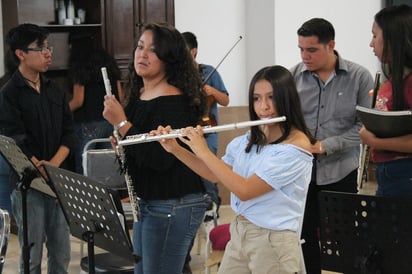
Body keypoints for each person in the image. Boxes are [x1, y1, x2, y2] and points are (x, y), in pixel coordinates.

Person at [157, 65, 315, 273]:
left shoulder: (295, 147)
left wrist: (203, 150)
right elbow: (214, 173)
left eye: (271, 97)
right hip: (240, 232)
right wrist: (176, 149)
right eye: (257, 98)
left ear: (287, 98)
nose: (264, 107)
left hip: (273, 241)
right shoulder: (250, 139)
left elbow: (245, 191)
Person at [102, 23, 208, 274]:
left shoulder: (175, 101)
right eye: (140, 47)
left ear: (169, 58)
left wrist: (122, 123)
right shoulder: (140, 95)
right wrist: (122, 144)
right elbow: (140, 151)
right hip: (148, 202)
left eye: (153, 50)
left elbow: (161, 159)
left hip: (173, 203)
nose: (142, 54)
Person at [289, 18, 374, 274]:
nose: (305, 56)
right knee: (304, 237)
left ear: (331, 46)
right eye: (301, 49)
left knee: (346, 237)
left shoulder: (359, 77)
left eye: (312, 49)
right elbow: (286, 120)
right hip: (301, 173)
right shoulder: (293, 76)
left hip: (341, 170)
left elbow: (364, 127)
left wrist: (325, 146)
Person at [0, 23, 76, 273]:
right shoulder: (9, 93)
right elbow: (15, 142)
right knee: (31, 256)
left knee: (61, 252)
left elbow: (69, 132)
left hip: (58, 180)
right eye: (41, 48)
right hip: (28, 184)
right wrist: (42, 170)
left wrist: (54, 165)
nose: (48, 53)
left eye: (48, 47)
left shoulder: (54, 88)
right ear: (20, 54)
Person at [181, 31, 230, 273]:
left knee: (207, 177)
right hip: (185, 135)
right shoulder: (176, 75)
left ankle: (212, 209)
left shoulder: (209, 70)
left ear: (193, 52)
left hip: (207, 132)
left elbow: (226, 100)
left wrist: (210, 89)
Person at [359, 5, 412, 197]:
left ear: (392, 39)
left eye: (375, 36)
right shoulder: (393, 80)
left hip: (404, 177)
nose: (371, 44)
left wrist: (373, 140)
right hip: (390, 176)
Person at [68, 33, 122, 174]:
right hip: (110, 122)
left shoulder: (80, 66)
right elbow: (120, 96)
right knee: (108, 167)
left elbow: (78, 101)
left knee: (85, 167)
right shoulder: (110, 64)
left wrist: (60, 112)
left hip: (87, 123)